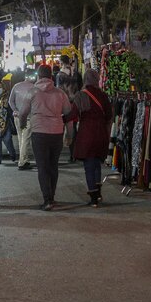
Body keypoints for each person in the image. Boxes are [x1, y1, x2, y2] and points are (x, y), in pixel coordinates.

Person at [19, 64, 73, 211]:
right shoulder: (60, 93)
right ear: (51, 76)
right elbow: (68, 113)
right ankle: (52, 197)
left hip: (39, 133)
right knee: (53, 166)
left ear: (38, 76)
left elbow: (23, 112)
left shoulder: (32, 92)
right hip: (56, 132)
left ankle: (47, 199)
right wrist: (70, 134)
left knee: (42, 167)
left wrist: (23, 124)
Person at [64, 69, 113, 207]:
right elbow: (109, 115)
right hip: (101, 133)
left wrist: (61, 119)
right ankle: (98, 193)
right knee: (97, 163)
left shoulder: (81, 95)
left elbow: (73, 114)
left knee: (89, 165)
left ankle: (93, 198)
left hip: (87, 133)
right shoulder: (103, 96)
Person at [55, 55, 82, 162]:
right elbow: (80, 88)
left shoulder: (60, 75)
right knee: (73, 129)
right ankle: (73, 154)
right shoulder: (76, 74)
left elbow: (58, 91)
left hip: (63, 105)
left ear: (61, 62)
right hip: (75, 104)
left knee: (60, 128)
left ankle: (57, 154)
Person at [9, 71, 35, 170]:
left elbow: (10, 101)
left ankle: (25, 159)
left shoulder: (16, 86)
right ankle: (22, 162)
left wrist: (15, 110)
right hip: (28, 117)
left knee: (21, 138)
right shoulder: (34, 88)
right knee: (25, 139)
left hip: (17, 116)